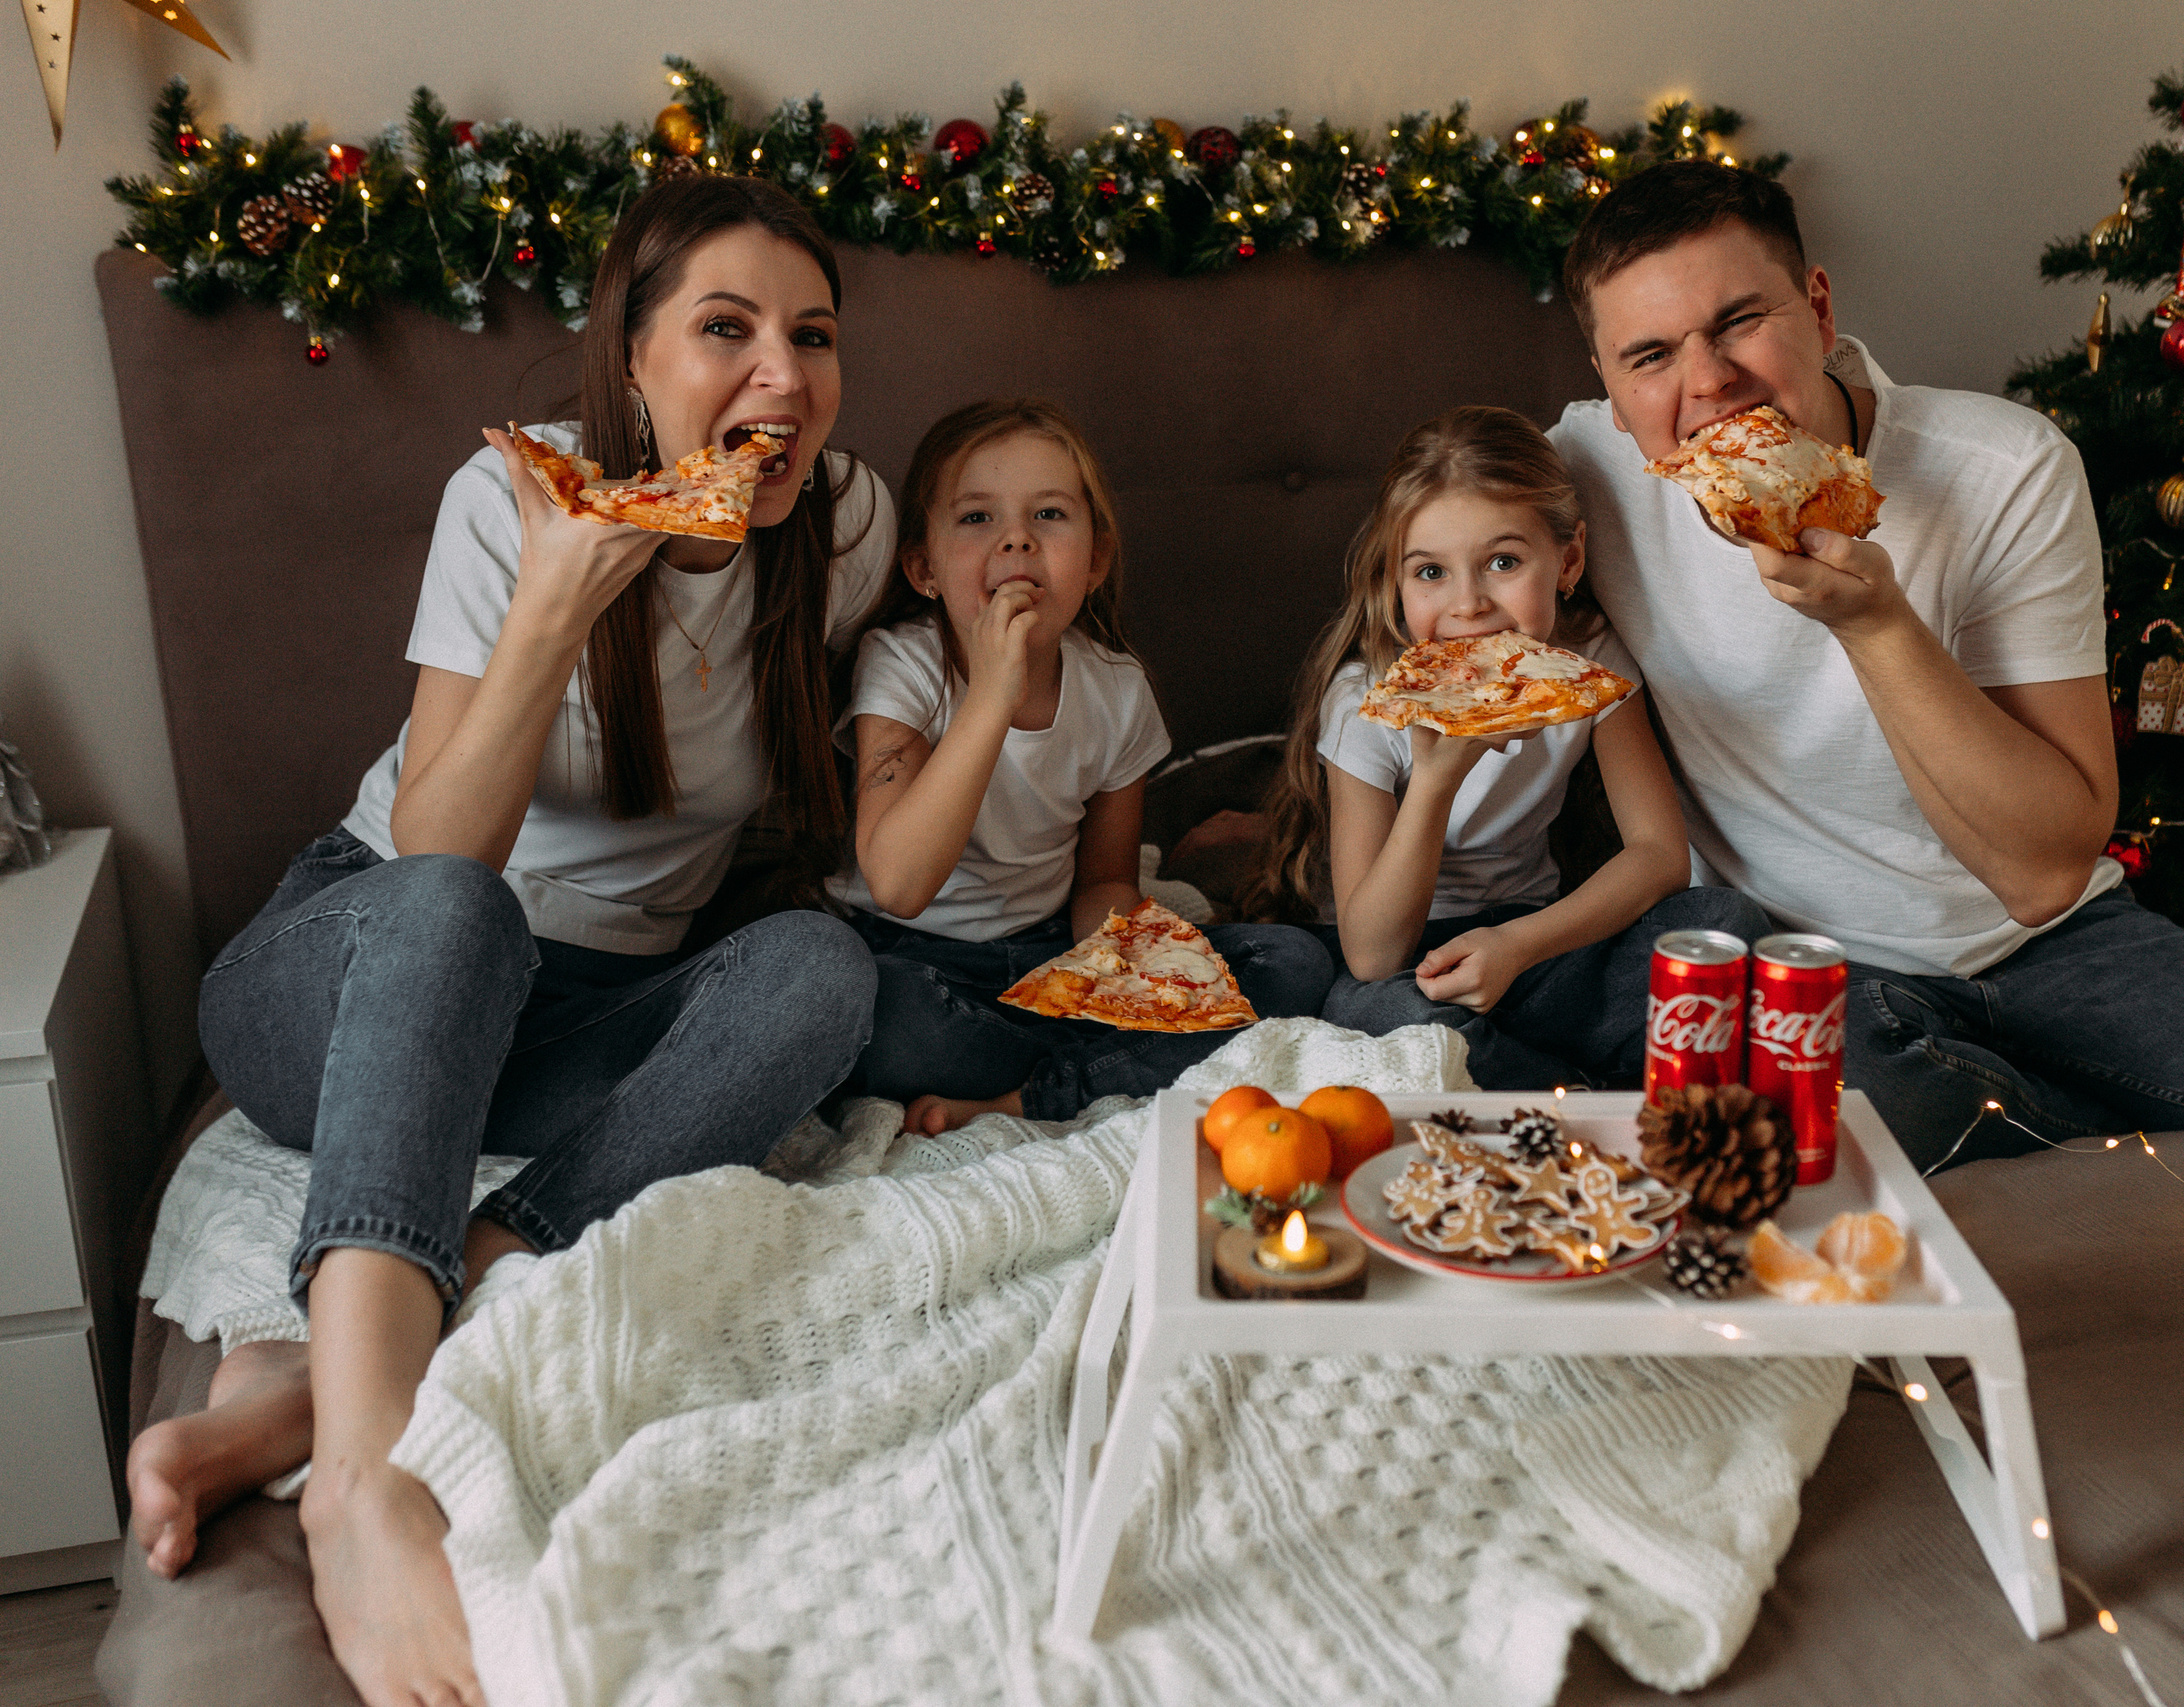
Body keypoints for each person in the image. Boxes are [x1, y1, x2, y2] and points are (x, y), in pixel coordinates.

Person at [124, 175, 894, 1707]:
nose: (782, 379)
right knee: (460, 905)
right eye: (726, 329)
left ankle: (347, 1355)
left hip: (577, 1012)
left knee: (825, 969)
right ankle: (359, 1477)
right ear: (632, 359)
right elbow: (438, 853)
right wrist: (556, 602)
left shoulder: (843, 525)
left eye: (812, 336)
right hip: (363, 957)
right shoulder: (517, 498)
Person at [1549, 160, 2184, 1264]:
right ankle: (2113, 1166)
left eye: (1739, 321)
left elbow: (2041, 872)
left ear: (1820, 309)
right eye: (1649, 356)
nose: (1708, 384)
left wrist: (1879, 626)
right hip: (1805, 972)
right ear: (1605, 381)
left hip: (2060, 948)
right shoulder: (1578, 479)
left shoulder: (2000, 467)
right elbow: (1427, 607)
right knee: (1861, 1176)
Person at [833, 398, 1332, 1132]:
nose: (1016, 542)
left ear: (1094, 560)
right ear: (924, 567)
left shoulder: (1115, 689)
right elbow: (900, 884)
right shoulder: (902, 666)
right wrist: (993, 694)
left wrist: (1141, 971)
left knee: (1295, 963)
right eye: (976, 518)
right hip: (912, 957)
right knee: (889, 1019)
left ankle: (1032, 1093)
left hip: (1045, 951)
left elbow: (1103, 880)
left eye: (1049, 516)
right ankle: (1094, 1068)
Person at [1245, 405, 1723, 1088]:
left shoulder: (1590, 666)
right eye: (1431, 572)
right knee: (1386, 1013)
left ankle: (1519, 1069)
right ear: (1396, 579)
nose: (1468, 605)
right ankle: (1573, 1087)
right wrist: (1439, 777)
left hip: (1537, 941)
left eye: (1502, 561)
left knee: (1723, 922)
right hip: (1413, 967)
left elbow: (1659, 856)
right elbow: (1373, 952)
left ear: (1569, 559)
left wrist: (1517, 945)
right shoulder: (1369, 701)